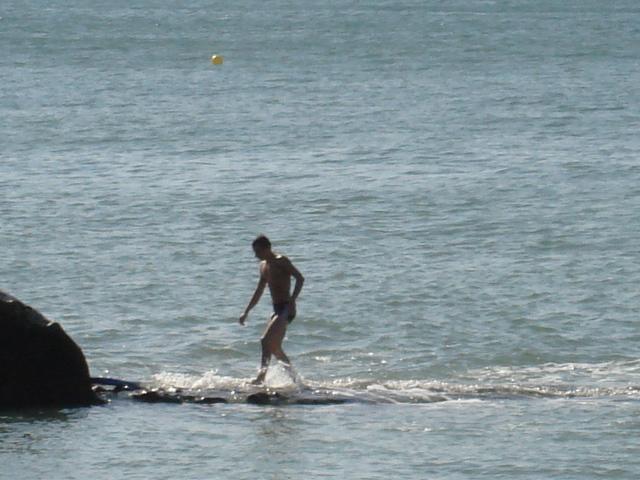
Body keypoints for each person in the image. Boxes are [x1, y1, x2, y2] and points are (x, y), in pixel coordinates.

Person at [239, 235, 304, 384]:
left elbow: (300, 278)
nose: (256, 255)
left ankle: (261, 377)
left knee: (265, 340)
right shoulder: (263, 265)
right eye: (254, 252)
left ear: (267, 248)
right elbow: (259, 290)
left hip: (287, 308)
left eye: (258, 251)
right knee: (274, 347)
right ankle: (295, 379)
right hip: (277, 308)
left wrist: (293, 299)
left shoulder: (281, 261)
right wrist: (246, 311)